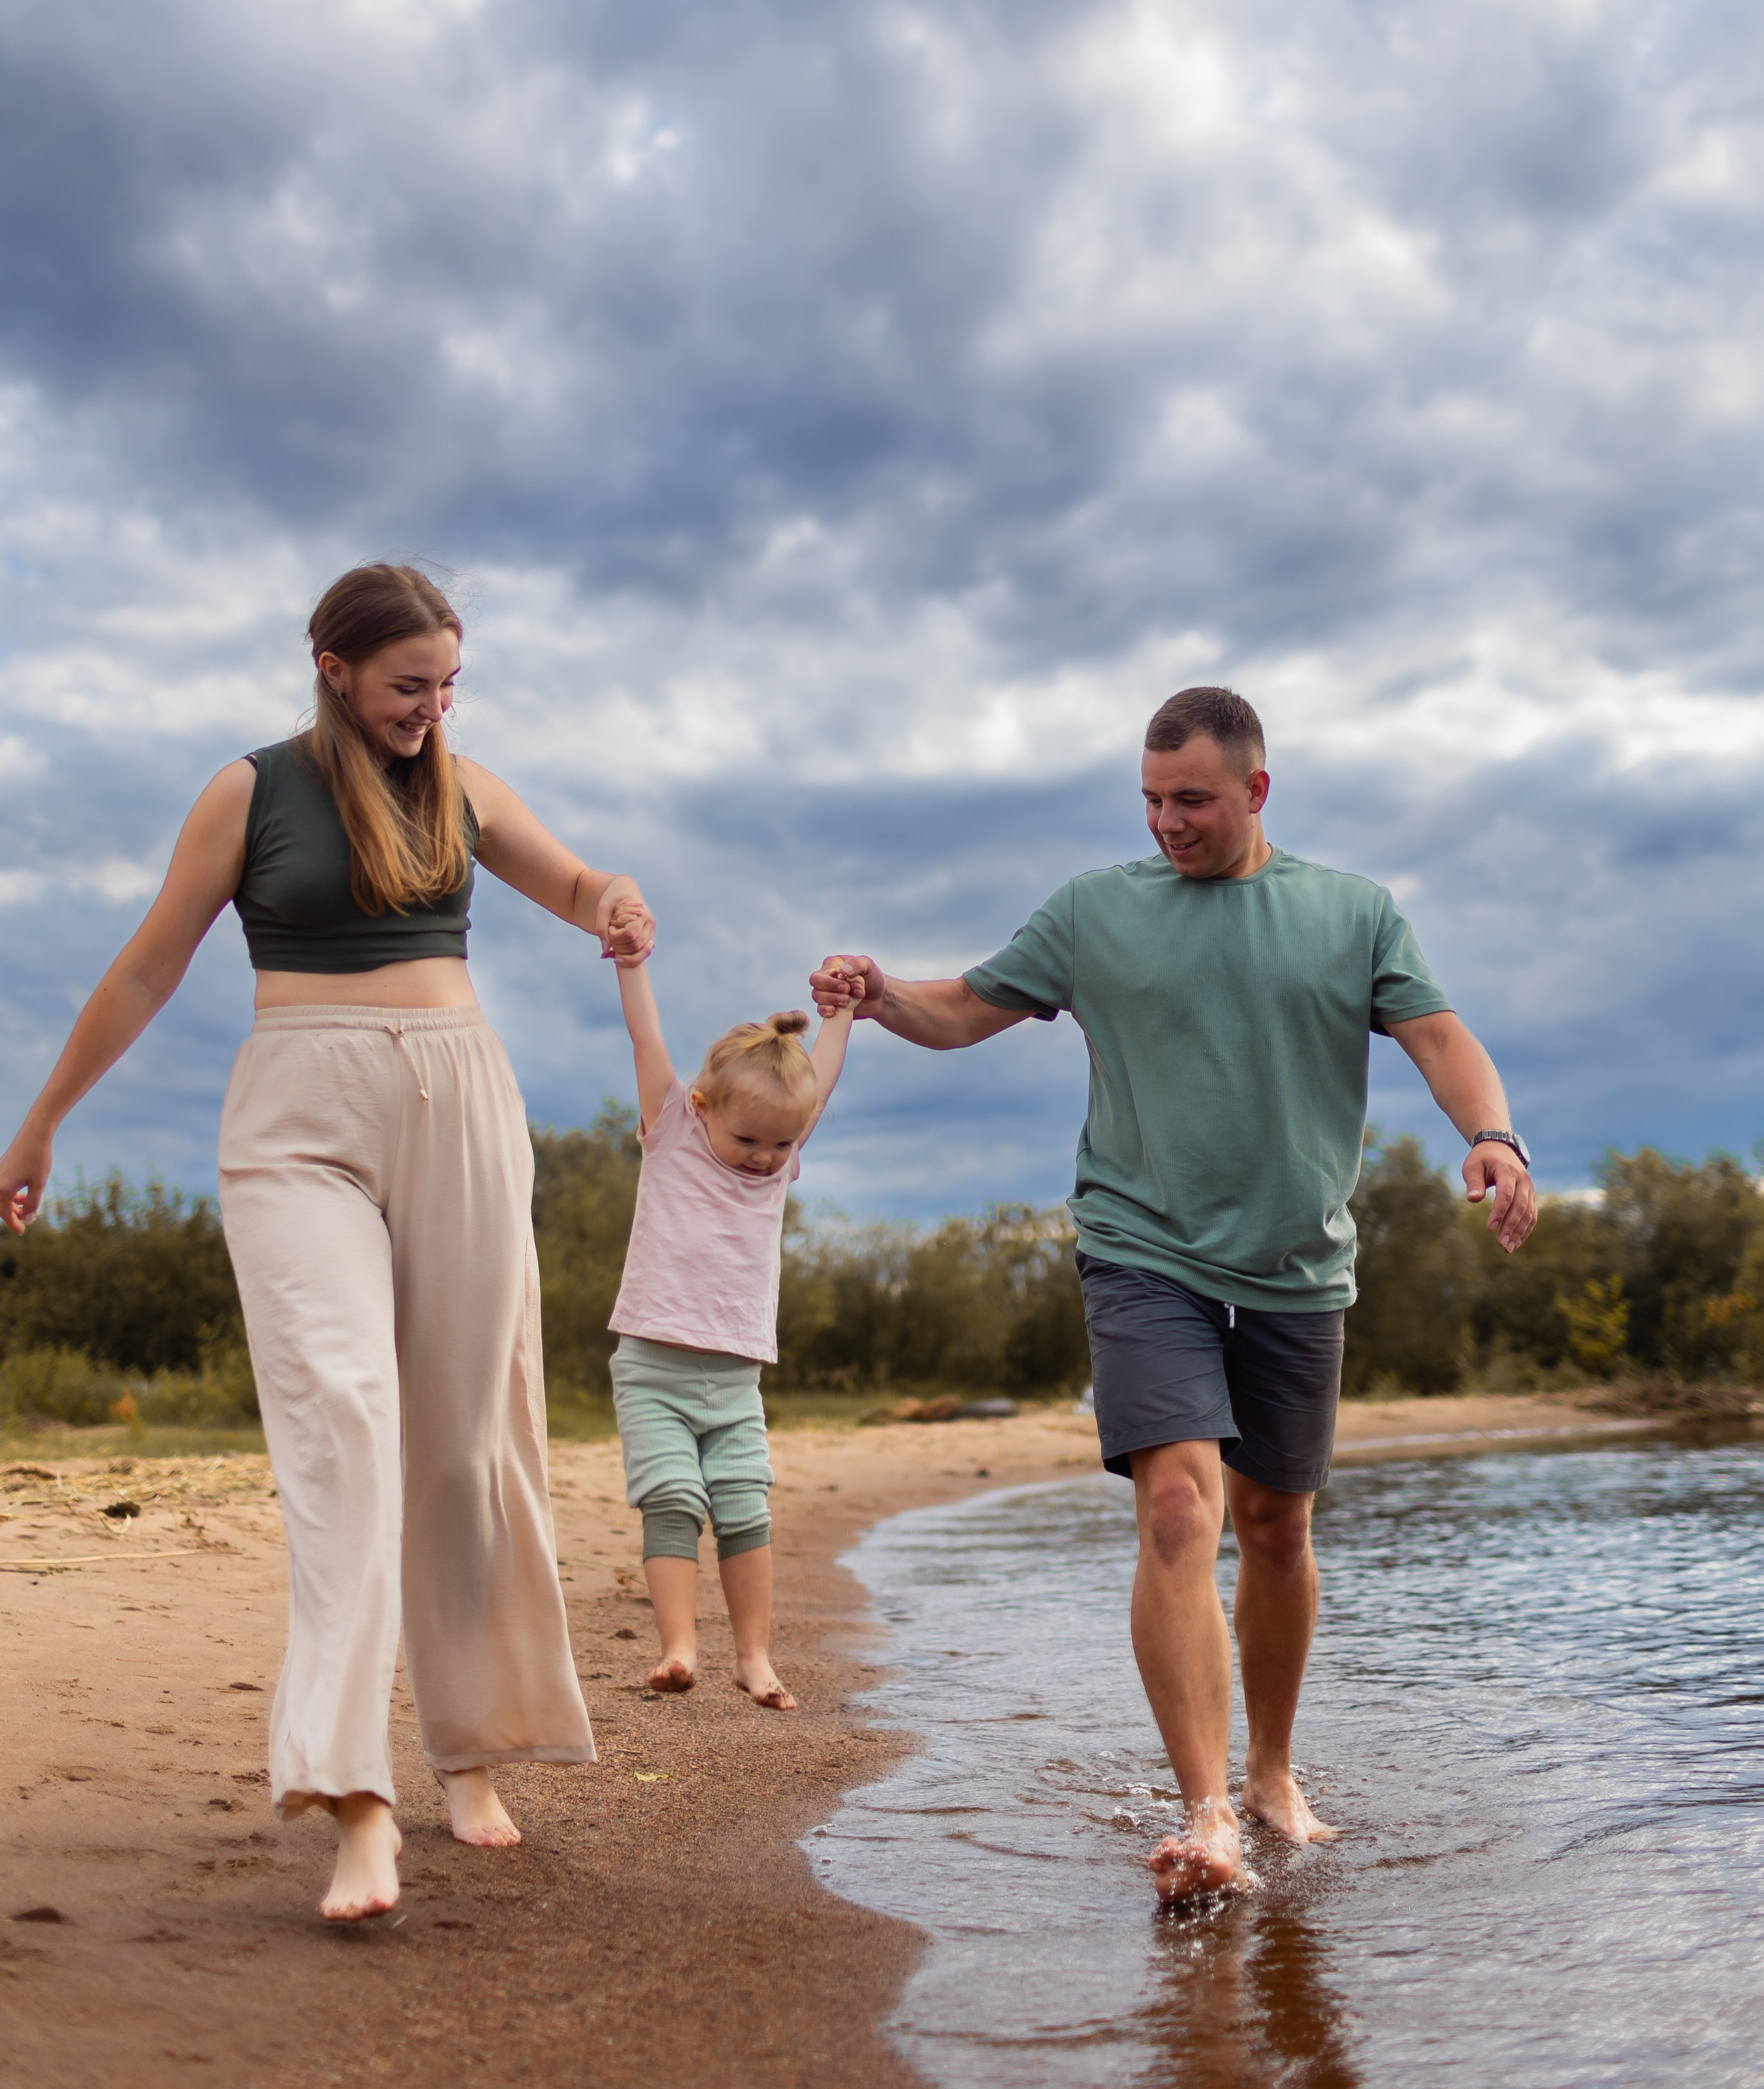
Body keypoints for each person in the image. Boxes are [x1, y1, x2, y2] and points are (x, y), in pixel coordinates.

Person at [0, 564, 655, 1924]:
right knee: (342, 1418)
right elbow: (144, 965)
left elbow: (574, 880)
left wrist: (613, 901)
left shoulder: (462, 788)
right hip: (295, 1110)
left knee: (466, 1443)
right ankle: (357, 1801)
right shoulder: (248, 791)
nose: (431, 708)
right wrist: (45, 1120)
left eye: (447, 685)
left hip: (460, 1098)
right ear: (334, 667)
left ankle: (470, 1752)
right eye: (409, 684)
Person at [812, 685, 1536, 1905]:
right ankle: (1207, 1814)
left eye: (1191, 800)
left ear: (1257, 791)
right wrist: (879, 993)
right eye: (1150, 800)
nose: (1167, 823)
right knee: (1177, 1513)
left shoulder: (1353, 914)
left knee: (1277, 1528)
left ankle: (1269, 1772)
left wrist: (1496, 1137)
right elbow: (964, 1012)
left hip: (1299, 1264)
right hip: (1141, 1245)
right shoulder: (1097, 912)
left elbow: (1443, 1040)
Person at [604, 942, 856, 1709]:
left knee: (745, 1503)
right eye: (749, 1142)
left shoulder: (779, 1157)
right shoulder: (674, 1128)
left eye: (782, 1145)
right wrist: (630, 963)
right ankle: (679, 1645)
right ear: (704, 1109)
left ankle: (753, 1656)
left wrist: (840, 1015)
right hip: (654, 1365)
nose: (765, 1159)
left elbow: (824, 1081)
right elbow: (647, 1039)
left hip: (736, 1375)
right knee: (673, 1497)